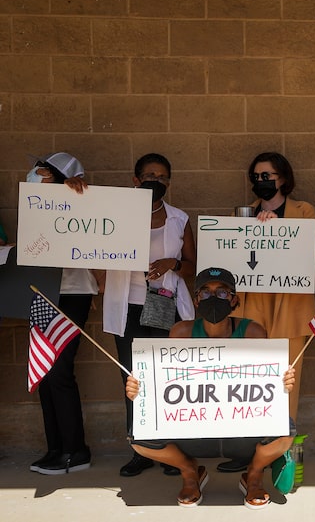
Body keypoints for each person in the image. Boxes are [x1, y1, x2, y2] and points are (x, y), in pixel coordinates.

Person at [125, 267, 296, 508]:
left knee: (286, 431)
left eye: (222, 292)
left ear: (234, 299)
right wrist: (138, 389)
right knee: (138, 437)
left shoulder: (252, 332)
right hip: (195, 431)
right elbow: (162, 384)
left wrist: (283, 381)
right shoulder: (182, 332)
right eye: (205, 293)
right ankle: (189, 471)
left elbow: (268, 384)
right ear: (196, 301)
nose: (212, 298)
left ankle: (254, 475)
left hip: (242, 430)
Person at [218, 151, 315, 473]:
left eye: (268, 176)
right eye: (257, 177)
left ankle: (279, 454)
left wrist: (279, 228)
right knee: (248, 383)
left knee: (286, 385)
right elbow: (230, 257)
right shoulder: (242, 214)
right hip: (253, 310)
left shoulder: (303, 211)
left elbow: (311, 252)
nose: (262, 182)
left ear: (283, 178)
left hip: (290, 310)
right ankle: (247, 451)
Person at [103, 153, 196, 477]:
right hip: (128, 305)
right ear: (135, 180)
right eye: (149, 175)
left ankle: (171, 450)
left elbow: (193, 268)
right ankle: (141, 449)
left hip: (165, 304)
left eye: (162, 176)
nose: (155, 180)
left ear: (168, 183)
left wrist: (173, 264)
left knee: (168, 377)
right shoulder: (114, 217)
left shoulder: (180, 219)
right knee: (133, 379)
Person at [26, 152, 100, 475]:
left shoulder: (81, 203)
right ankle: (55, 448)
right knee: (44, 373)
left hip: (74, 291)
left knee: (59, 371)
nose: (36, 177)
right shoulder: (35, 204)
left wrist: (77, 192)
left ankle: (76, 450)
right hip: (43, 289)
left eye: (43, 174)